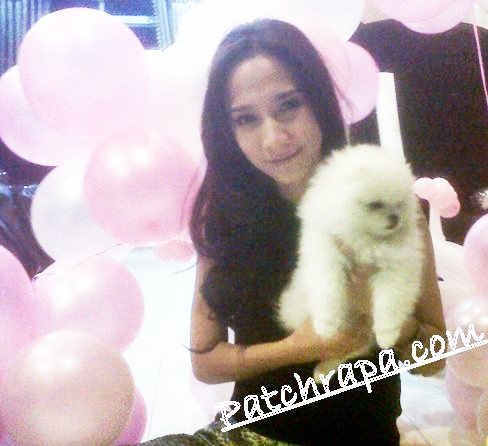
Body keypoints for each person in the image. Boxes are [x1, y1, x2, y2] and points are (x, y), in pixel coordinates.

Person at [136, 18, 446, 446]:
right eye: (246, 119)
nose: (273, 138)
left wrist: (384, 312)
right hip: (252, 434)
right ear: (228, 130)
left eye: (288, 105)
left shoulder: (386, 202)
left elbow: (434, 359)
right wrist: (301, 347)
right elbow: (206, 360)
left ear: (318, 101)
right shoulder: (225, 214)